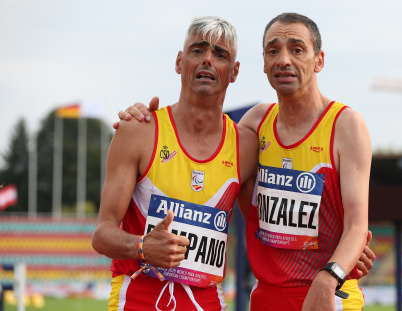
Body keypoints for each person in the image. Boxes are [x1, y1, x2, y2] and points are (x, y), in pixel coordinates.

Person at [118, 13, 374, 311]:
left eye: (297, 49)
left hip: (327, 294)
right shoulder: (254, 124)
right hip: (266, 297)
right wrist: (141, 119)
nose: (284, 60)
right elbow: (199, 137)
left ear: (319, 60)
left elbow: (357, 225)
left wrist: (334, 272)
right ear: (263, 63)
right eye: (273, 51)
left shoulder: (346, 125)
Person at [92, 16, 258, 311]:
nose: (207, 59)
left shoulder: (245, 146)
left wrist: (341, 251)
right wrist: (142, 247)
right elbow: (101, 235)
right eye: (198, 50)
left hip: (207, 302)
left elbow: (267, 228)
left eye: (220, 54)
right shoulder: (139, 130)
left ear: (234, 72)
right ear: (180, 62)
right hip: (137, 300)